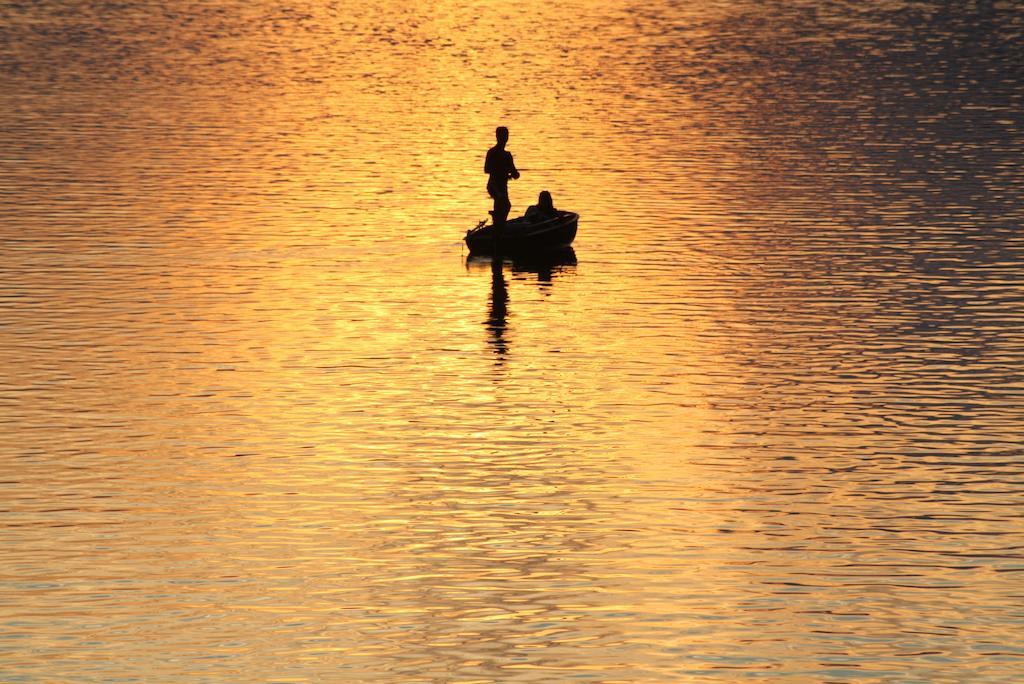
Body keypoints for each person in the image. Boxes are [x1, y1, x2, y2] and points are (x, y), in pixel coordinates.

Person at [484, 126, 519, 228]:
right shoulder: (492, 152)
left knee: (504, 206)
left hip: (502, 187)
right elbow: (486, 169)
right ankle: (497, 225)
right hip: (493, 185)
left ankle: (499, 225)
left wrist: (514, 174)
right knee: (503, 203)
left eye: (505, 136)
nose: (504, 138)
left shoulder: (507, 155)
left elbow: (514, 173)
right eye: (502, 136)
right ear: (497, 137)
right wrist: (502, 172)